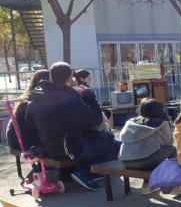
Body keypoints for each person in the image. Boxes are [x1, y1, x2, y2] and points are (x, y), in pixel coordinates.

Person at [25, 62, 121, 191]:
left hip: (48, 148)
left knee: (107, 140)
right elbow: (95, 119)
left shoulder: (36, 95)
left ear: (51, 78)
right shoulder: (68, 98)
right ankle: (85, 172)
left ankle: (86, 171)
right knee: (114, 143)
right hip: (70, 149)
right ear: (70, 78)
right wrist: (89, 96)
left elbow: (29, 123)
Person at [118, 98, 176, 195]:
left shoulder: (130, 122)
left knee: (147, 150)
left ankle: (147, 186)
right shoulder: (161, 122)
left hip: (125, 160)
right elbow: (169, 142)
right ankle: (176, 185)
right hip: (143, 160)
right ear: (159, 110)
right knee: (172, 150)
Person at [7, 69, 50, 152]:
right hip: (18, 141)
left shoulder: (30, 96)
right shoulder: (29, 101)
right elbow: (29, 128)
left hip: (17, 137)